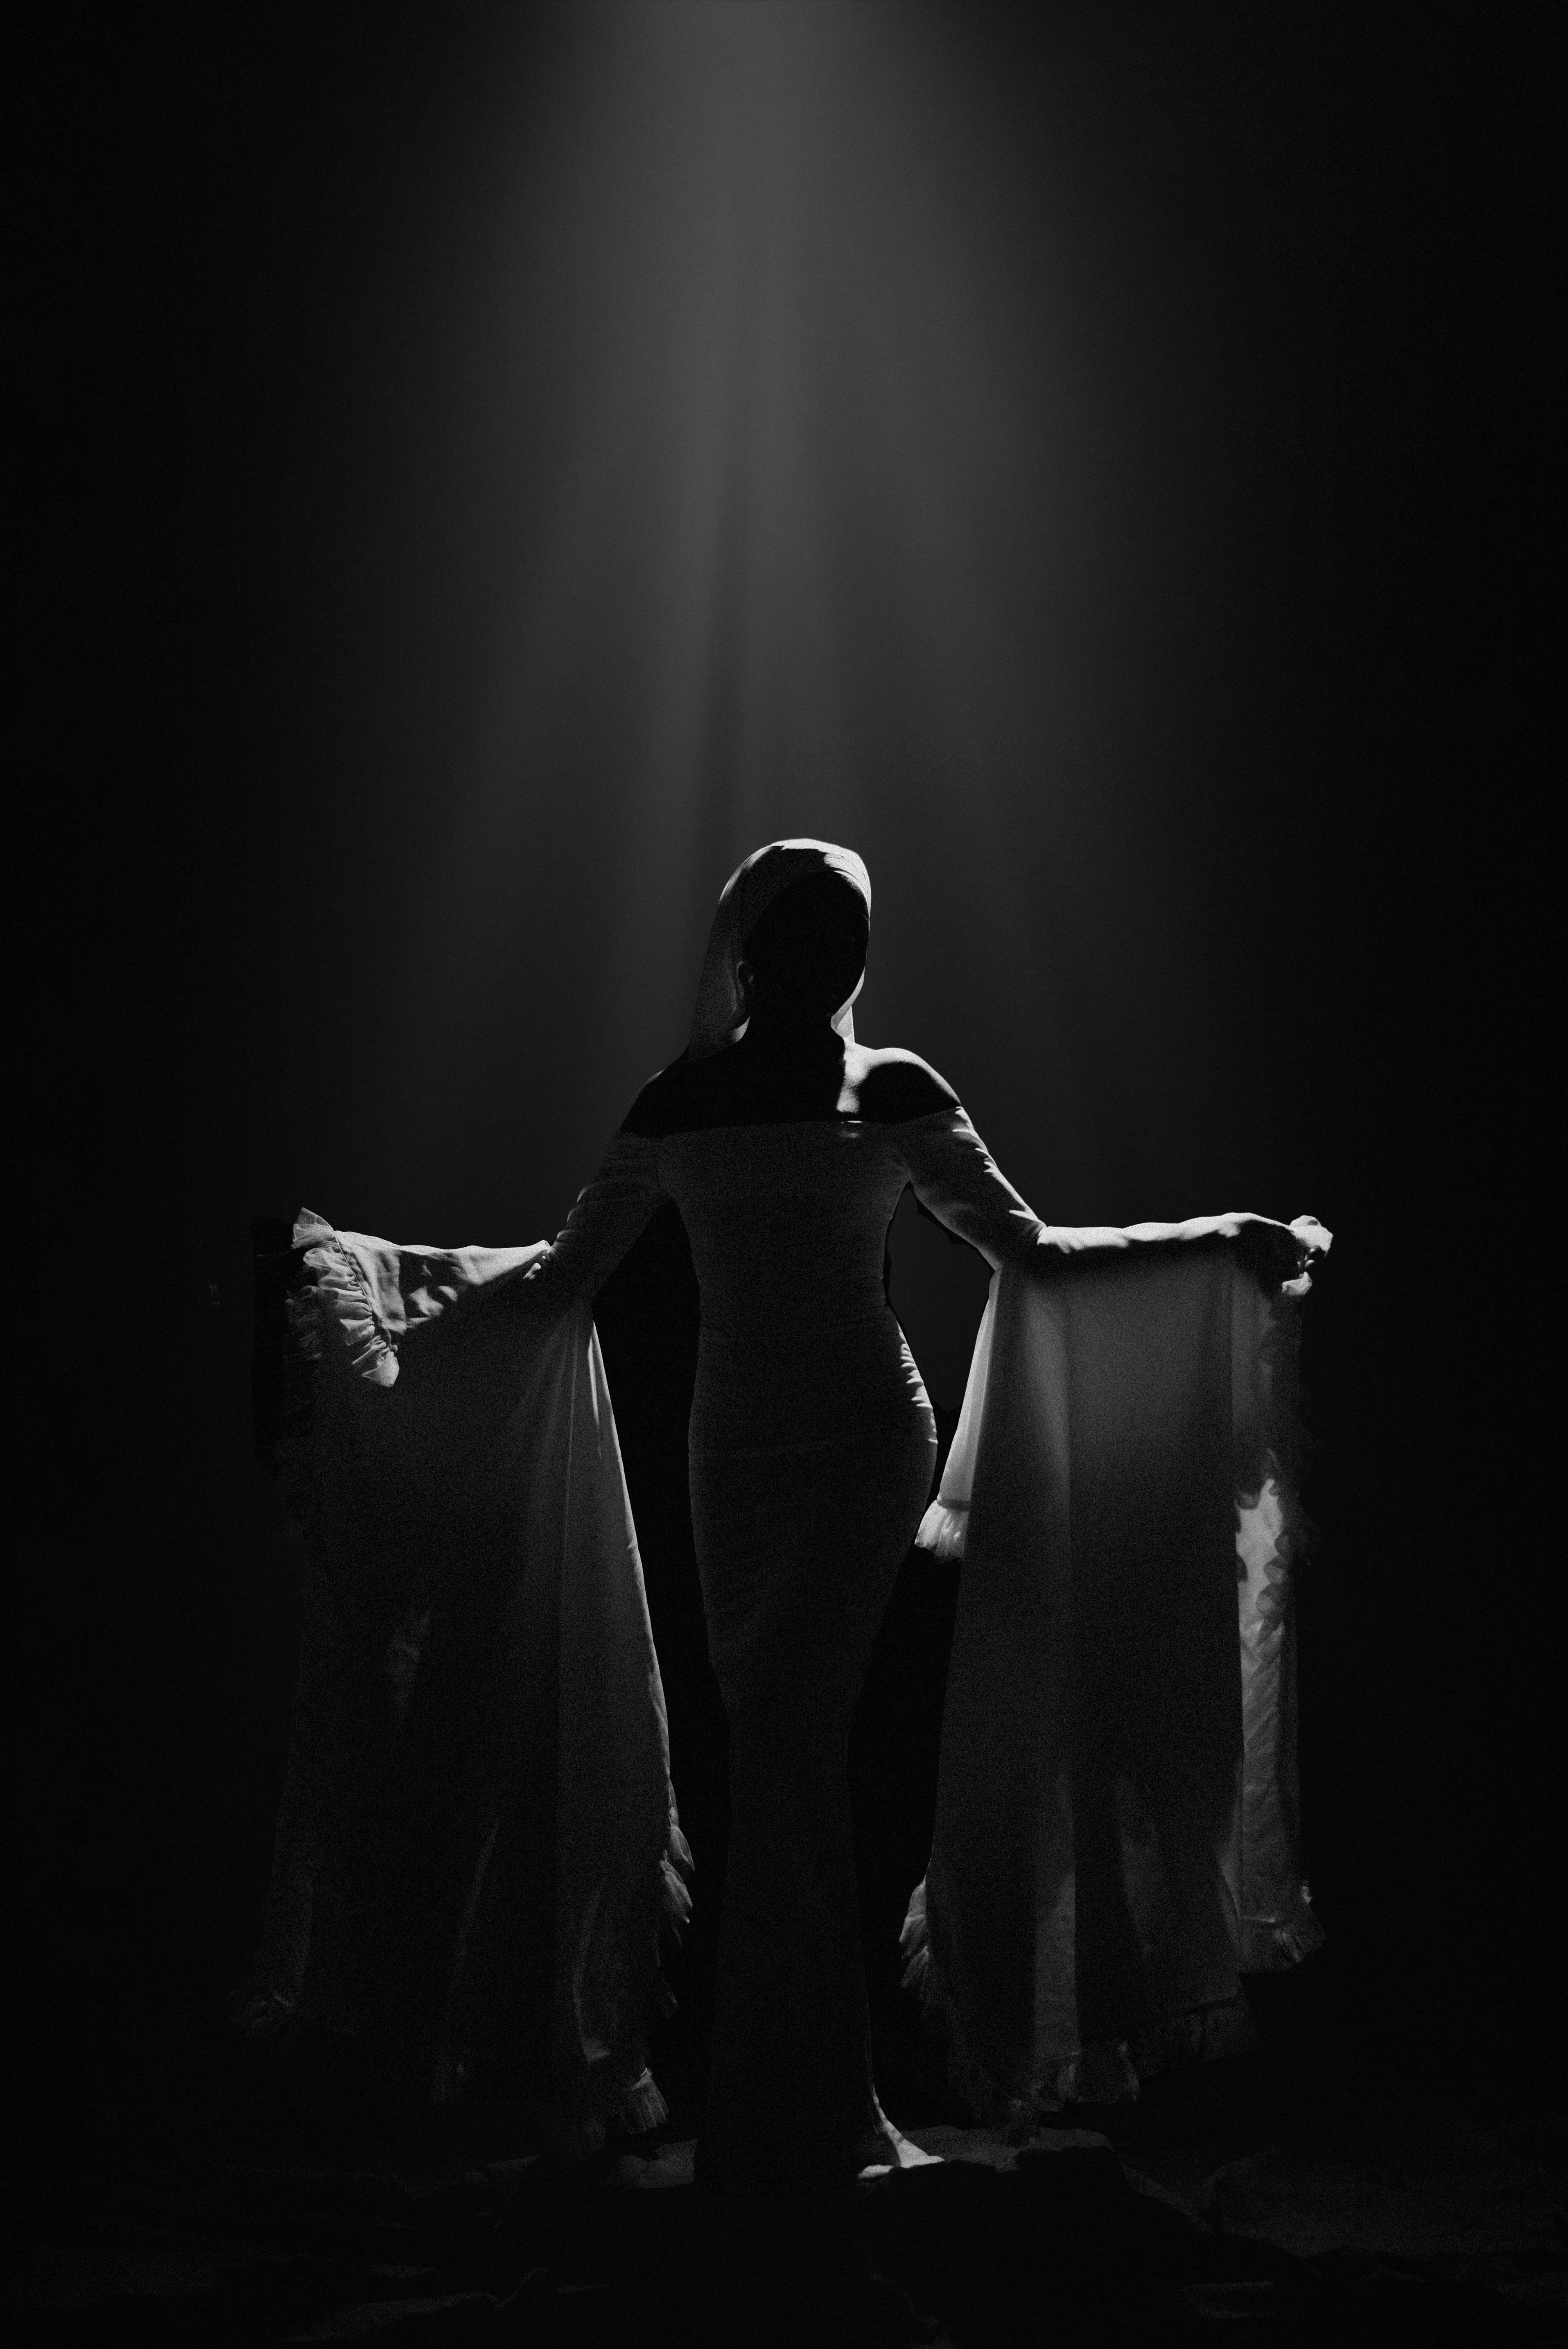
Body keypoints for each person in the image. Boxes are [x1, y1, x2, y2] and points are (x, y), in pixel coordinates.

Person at [506, 837, 1071, 2191]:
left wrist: (1211, 1244)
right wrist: (373, 1291)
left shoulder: (893, 1088)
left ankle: (797, 2118)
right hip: (736, 1454)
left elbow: (1028, 1253)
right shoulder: (676, 1101)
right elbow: (561, 1275)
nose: (835, 965)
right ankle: (811, 2110)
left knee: (787, 1740)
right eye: (810, 939)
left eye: (849, 941)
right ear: (752, 954)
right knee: (781, 1754)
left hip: (868, 1443)